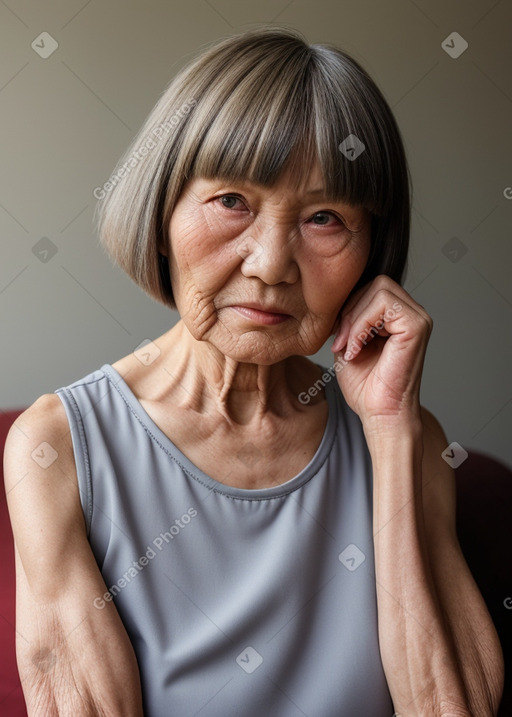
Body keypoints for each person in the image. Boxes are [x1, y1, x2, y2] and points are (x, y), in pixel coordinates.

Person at [4, 27, 504, 717]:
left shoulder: (409, 444)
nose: (270, 263)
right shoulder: (55, 447)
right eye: (232, 201)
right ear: (161, 213)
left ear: (371, 256)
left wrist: (391, 432)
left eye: (325, 217)